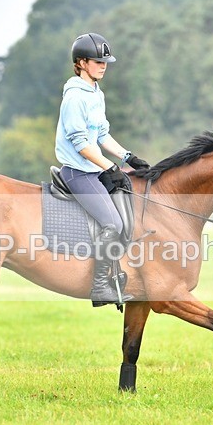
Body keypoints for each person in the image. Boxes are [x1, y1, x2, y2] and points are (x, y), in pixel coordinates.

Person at [55, 33, 150, 306]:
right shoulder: (74, 97)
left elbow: (102, 135)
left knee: (132, 207)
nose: (103, 65)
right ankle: (99, 288)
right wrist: (110, 167)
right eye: (98, 61)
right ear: (81, 63)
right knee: (113, 223)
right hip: (78, 172)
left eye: (105, 61)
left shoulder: (97, 93)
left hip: (94, 170)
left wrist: (128, 157)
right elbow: (81, 144)